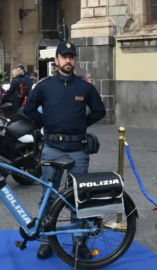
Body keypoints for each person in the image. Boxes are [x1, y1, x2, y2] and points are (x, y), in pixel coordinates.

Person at [23, 41, 106, 260]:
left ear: (75, 60)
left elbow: (99, 110)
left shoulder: (85, 86)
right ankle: (46, 240)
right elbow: (28, 109)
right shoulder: (44, 85)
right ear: (56, 60)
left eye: (71, 56)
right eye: (64, 56)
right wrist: (46, 122)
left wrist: (81, 124)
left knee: (80, 197)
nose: (68, 60)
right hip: (51, 148)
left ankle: (79, 242)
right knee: (48, 196)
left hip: (78, 150)